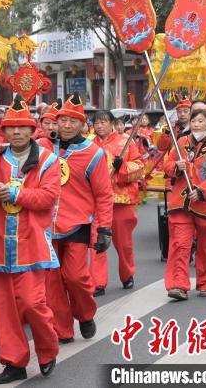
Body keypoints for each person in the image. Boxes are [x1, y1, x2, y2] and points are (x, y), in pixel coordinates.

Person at [0, 97, 60, 384]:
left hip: (32, 245)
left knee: (33, 303)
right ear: (4, 130)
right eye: (11, 128)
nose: (17, 133)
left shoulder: (48, 160)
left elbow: (48, 198)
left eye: (22, 127)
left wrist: (15, 194)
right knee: (4, 309)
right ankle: (14, 362)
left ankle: (47, 349)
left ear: (32, 129)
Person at [38, 94, 113, 343]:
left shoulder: (94, 154)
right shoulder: (43, 148)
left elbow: (103, 194)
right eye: (62, 120)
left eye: (73, 121)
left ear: (83, 125)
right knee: (52, 281)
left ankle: (84, 314)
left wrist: (104, 229)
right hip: (45, 225)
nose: (67, 125)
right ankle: (62, 330)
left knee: (75, 277)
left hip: (77, 223)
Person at [163, 108, 206, 301]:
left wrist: (202, 191)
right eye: (194, 121)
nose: (196, 125)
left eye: (201, 121)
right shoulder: (180, 143)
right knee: (180, 244)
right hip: (181, 203)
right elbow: (166, 165)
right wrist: (176, 166)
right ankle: (178, 285)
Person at [89, 111, 145, 296]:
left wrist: (122, 166)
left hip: (121, 200)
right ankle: (97, 283)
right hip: (97, 201)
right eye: (97, 122)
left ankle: (127, 274)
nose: (100, 126)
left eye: (103, 122)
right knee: (97, 241)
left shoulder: (125, 142)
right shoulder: (88, 144)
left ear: (112, 123)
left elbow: (140, 167)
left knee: (124, 244)